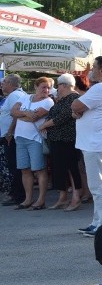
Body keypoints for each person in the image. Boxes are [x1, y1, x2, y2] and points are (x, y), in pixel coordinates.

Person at [73, 56, 102, 237]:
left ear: (101, 70)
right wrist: (76, 110)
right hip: (97, 142)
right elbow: (77, 109)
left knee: (99, 185)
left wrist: (76, 109)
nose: (91, 70)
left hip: (96, 143)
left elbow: (76, 104)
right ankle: (97, 221)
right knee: (97, 184)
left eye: (93, 67)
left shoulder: (101, 87)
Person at [39, 74, 83, 211]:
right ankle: (62, 198)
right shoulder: (62, 99)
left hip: (68, 139)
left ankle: (76, 198)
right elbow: (54, 114)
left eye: (58, 85)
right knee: (59, 169)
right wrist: (47, 124)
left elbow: (63, 116)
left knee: (71, 168)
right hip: (56, 139)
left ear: (64, 85)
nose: (57, 88)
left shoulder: (74, 98)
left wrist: (45, 125)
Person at [10, 77, 54, 209]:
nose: (46, 90)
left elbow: (34, 117)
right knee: (24, 169)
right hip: (20, 138)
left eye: (48, 87)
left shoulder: (48, 101)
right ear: (35, 87)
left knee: (39, 169)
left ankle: (41, 200)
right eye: (43, 87)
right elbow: (13, 112)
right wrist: (25, 112)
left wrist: (21, 114)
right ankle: (28, 199)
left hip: (35, 138)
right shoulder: (25, 97)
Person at [0, 75, 27, 207]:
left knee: (15, 165)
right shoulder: (14, 95)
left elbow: (17, 115)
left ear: (11, 83)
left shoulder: (14, 96)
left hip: (12, 136)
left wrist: (10, 132)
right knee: (13, 165)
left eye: (4, 82)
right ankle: (16, 193)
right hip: (11, 136)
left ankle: (18, 195)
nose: (2, 85)